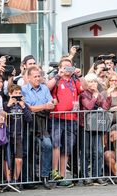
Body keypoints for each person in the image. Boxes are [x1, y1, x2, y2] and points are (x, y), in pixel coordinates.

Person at [46, 58, 86, 187]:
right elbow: (47, 87)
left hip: (72, 118)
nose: (68, 69)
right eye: (65, 66)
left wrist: (80, 75)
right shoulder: (57, 79)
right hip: (57, 118)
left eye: (70, 66)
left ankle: (62, 175)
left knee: (67, 148)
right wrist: (59, 74)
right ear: (60, 67)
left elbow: (84, 88)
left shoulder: (74, 80)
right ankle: (54, 172)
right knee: (56, 145)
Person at [22, 65, 54, 189]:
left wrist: (46, 106)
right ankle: (28, 179)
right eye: (35, 76)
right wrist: (44, 106)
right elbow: (29, 108)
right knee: (28, 151)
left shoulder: (45, 88)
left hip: (42, 124)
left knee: (48, 145)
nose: (37, 78)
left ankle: (45, 176)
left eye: (39, 76)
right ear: (29, 78)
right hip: (28, 124)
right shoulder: (24, 90)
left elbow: (50, 104)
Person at [79, 73, 111, 185]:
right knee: (86, 152)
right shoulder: (83, 94)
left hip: (96, 126)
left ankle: (97, 175)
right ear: (86, 84)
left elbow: (106, 107)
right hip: (85, 126)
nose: (93, 84)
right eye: (90, 82)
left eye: (94, 82)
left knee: (98, 151)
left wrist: (109, 96)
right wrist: (95, 97)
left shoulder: (98, 94)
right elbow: (88, 106)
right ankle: (85, 176)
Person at [4, 84, 32, 186]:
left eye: (19, 93)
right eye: (15, 93)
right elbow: (2, 115)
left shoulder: (23, 105)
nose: (18, 95)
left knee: (19, 159)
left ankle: (15, 180)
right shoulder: (5, 104)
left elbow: (29, 119)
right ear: (10, 94)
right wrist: (9, 105)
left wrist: (23, 106)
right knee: (6, 158)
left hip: (19, 135)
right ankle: (8, 181)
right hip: (6, 135)